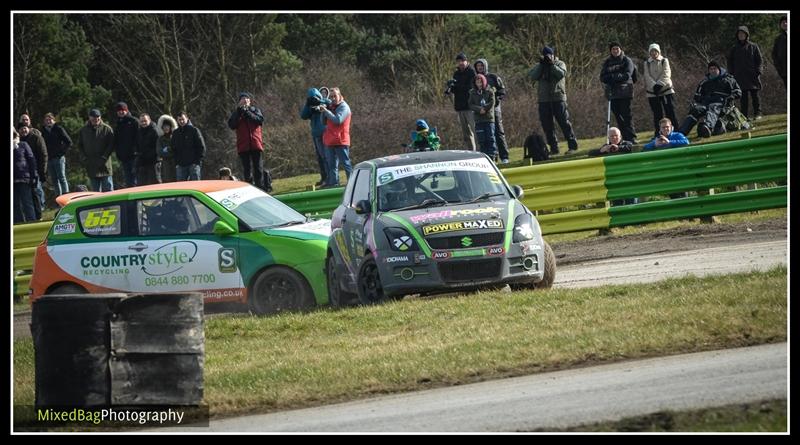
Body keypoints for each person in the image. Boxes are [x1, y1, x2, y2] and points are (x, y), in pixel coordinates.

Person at [528, 46, 579, 155]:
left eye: (549, 55)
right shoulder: (539, 66)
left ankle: (572, 146)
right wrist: (541, 65)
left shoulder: (560, 63)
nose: (547, 57)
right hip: (543, 99)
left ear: (553, 55)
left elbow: (561, 74)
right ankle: (554, 148)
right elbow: (532, 76)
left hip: (558, 98)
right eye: (545, 55)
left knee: (564, 122)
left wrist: (551, 65)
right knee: (547, 126)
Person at [678, 60, 741, 139]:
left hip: (722, 103)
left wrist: (730, 98)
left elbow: (738, 92)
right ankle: (681, 133)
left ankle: (708, 127)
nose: (713, 71)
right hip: (706, 103)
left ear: (719, 69)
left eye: (715, 69)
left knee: (713, 107)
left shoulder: (728, 79)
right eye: (711, 69)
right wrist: (698, 101)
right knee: (695, 110)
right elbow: (697, 95)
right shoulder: (704, 82)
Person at [589, 127, 637, 206]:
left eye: (616, 135)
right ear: (608, 138)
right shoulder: (606, 147)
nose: (614, 138)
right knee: (617, 205)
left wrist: (619, 148)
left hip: (628, 180)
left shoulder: (626, 143)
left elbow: (631, 147)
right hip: (614, 181)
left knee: (631, 203)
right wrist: (601, 151)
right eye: (612, 136)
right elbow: (591, 153)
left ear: (620, 136)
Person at [600, 42, 637, 143]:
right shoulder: (607, 62)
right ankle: (623, 138)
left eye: (617, 49)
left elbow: (627, 74)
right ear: (610, 51)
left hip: (625, 92)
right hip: (612, 94)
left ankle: (631, 137)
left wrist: (613, 77)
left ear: (620, 49)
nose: (615, 51)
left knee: (627, 116)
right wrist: (611, 78)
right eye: (613, 49)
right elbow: (602, 77)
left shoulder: (627, 60)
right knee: (618, 117)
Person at [227, 92, 265, 190]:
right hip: (243, 146)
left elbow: (259, 120)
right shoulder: (236, 113)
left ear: (250, 101)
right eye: (242, 99)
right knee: (246, 170)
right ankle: (249, 188)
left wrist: (247, 113)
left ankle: (260, 187)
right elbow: (232, 125)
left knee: (258, 168)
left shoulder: (255, 110)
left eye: (247, 99)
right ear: (239, 102)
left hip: (256, 143)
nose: (245, 101)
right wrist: (239, 113)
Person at [474, 58, 509, 163]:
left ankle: (504, 157)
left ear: (485, 66)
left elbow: (502, 90)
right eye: (478, 66)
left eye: (481, 66)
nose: (480, 68)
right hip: (482, 112)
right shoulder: (475, 79)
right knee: (486, 136)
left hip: (495, 109)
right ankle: (491, 157)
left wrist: (496, 100)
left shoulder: (493, 77)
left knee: (499, 132)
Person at [727, 25, 764, 120]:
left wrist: (758, 71)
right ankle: (744, 116)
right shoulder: (734, 48)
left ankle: (758, 113)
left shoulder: (753, 46)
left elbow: (759, 60)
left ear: (747, 35)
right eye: (739, 34)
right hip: (739, 76)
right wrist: (731, 73)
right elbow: (730, 62)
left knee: (755, 96)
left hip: (752, 75)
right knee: (743, 98)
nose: (741, 35)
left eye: (743, 33)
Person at [643, 43, 679, 138]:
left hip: (666, 91)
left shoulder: (664, 60)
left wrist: (659, 84)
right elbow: (647, 76)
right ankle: (658, 133)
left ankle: (675, 132)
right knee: (657, 114)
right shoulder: (646, 63)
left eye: (655, 51)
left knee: (670, 112)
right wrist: (654, 86)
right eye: (651, 51)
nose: (653, 53)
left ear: (659, 52)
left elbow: (666, 73)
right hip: (652, 93)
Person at [321, 87, 352, 187]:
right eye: (331, 96)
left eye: (335, 96)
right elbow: (323, 122)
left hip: (341, 140)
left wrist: (326, 111)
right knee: (332, 165)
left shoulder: (344, 107)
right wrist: (323, 109)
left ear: (340, 95)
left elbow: (338, 120)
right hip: (330, 140)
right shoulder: (330, 106)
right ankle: (334, 184)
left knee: (346, 164)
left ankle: (352, 183)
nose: (333, 98)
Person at [77, 108, 115, 192]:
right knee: (95, 192)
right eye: (93, 117)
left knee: (108, 190)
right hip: (91, 165)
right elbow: (80, 146)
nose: (95, 119)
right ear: (89, 118)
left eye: (97, 116)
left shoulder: (107, 129)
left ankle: (109, 206)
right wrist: (84, 158)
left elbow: (111, 145)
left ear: (100, 117)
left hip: (105, 165)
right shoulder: (83, 130)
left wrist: (105, 157)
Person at [300, 87, 332, 186]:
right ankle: (324, 177)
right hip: (316, 134)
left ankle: (330, 178)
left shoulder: (326, 102)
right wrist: (307, 104)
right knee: (320, 158)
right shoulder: (310, 106)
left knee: (327, 157)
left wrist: (320, 101)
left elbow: (329, 103)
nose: (314, 99)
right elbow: (303, 116)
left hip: (325, 133)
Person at [445, 52, 477, 150]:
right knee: (466, 134)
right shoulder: (456, 73)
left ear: (467, 61)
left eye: (462, 61)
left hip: (470, 106)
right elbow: (456, 90)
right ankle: (472, 152)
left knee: (475, 131)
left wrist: (457, 86)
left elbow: (469, 88)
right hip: (460, 107)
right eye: (459, 61)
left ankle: (481, 152)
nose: (460, 63)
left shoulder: (471, 72)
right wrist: (451, 86)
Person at [18, 123, 47, 219]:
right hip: (24, 174)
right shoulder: (19, 142)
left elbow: (43, 155)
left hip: (36, 171)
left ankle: (39, 214)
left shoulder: (36, 138)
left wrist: (42, 171)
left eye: (24, 128)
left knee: (36, 194)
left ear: (29, 128)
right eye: (21, 129)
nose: (23, 131)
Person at [41, 112, 72, 197]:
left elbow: (68, 142)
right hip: (49, 159)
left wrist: (61, 153)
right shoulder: (43, 131)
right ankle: (59, 197)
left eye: (50, 119)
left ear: (53, 120)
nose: (48, 121)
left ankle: (66, 196)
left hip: (59, 158)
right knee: (54, 180)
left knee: (61, 177)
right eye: (46, 120)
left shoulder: (58, 129)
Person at [469, 73, 497, 159]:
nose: (479, 84)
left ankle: (492, 155)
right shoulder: (472, 93)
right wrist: (478, 109)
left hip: (488, 119)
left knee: (490, 138)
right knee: (482, 140)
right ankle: (484, 157)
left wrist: (484, 109)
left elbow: (492, 102)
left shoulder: (490, 91)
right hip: (478, 120)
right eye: (477, 83)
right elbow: (470, 104)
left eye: (481, 82)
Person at [13, 127, 38, 223]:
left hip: (24, 179)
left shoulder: (23, 145)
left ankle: (32, 223)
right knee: (14, 205)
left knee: (27, 203)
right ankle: (18, 225)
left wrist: (34, 176)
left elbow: (32, 161)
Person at [172, 111, 206, 181]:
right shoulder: (175, 133)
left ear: (187, 119)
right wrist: (177, 163)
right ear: (177, 120)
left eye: (183, 119)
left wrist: (197, 161)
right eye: (179, 120)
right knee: (181, 188)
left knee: (195, 186)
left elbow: (201, 147)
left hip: (193, 164)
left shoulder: (194, 130)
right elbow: (173, 148)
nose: (181, 121)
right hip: (181, 165)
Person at [113, 101, 140, 187]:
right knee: (128, 180)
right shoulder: (118, 123)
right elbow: (116, 140)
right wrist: (118, 153)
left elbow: (139, 138)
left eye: (122, 110)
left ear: (126, 110)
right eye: (119, 110)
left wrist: (136, 151)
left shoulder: (134, 121)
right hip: (124, 157)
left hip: (134, 156)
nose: (121, 112)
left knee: (135, 179)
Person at [136, 113, 161, 185]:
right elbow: (138, 145)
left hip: (154, 162)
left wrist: (148, 155)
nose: (143, 123)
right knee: (142, 184)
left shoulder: (155, 131)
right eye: (141, 121)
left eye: (145, 121)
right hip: (143, 162)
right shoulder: (139, 131)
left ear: (149, 120)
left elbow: (157, 147)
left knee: (155, 183)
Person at [157, 114, 178, 183]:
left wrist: (167, 149)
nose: (166, 128)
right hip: (165, 165)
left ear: (170, 127)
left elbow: (176, 149)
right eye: (164, 126)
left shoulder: (175, 137)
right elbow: (159, 152)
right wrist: (170, 151)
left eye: (167, 126)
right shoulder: (160, 139)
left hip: (176, 163)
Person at [771, 16, 787, 88]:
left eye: (787, 22)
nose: (785, 23)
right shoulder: (778, 39)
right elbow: (774, 55)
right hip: (784, 71)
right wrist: (779, 69)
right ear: (780, 25)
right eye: (783, 22)